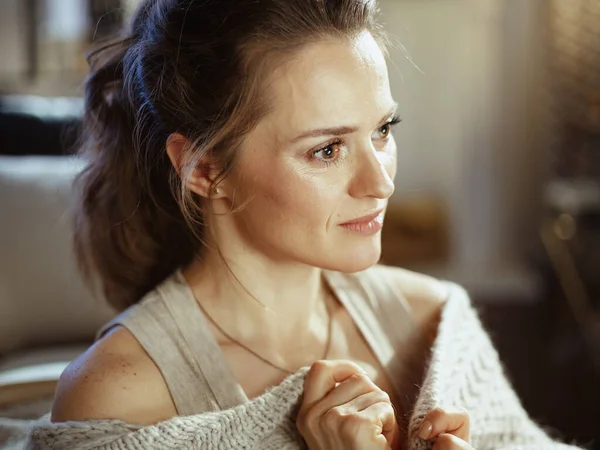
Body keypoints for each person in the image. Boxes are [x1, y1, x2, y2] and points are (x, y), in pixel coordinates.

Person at [37, 1, 582, 449]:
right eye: (326, 149)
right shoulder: (119, 399)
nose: (381, 182)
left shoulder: (436, 325)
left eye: (383, 129)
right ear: (203, 168)